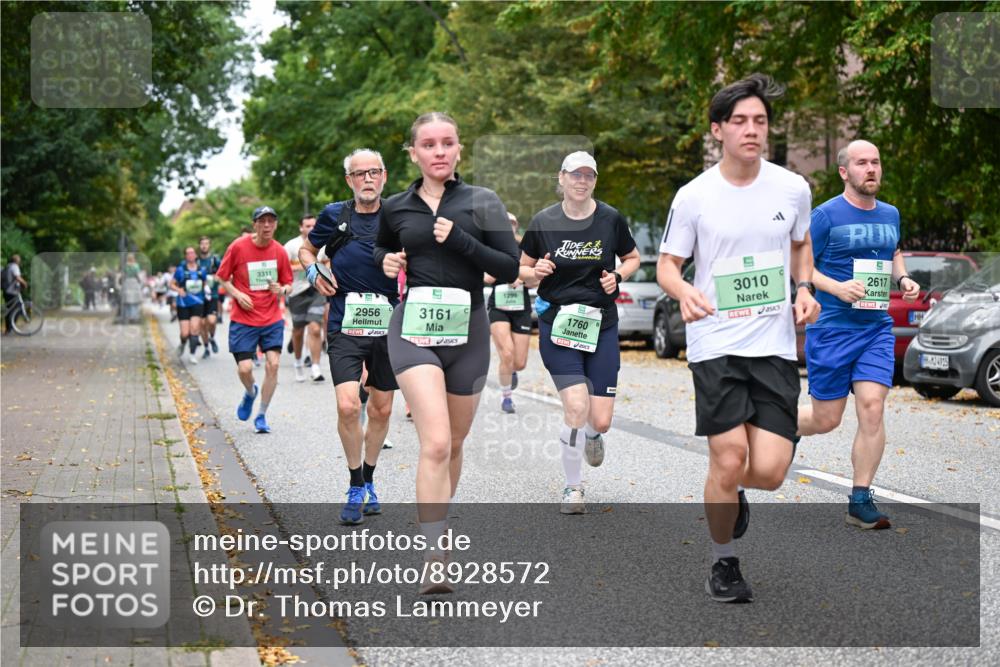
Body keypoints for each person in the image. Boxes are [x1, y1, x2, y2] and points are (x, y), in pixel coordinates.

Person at [656, 74, 821, 603]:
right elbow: (667, 266)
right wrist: (682, 290)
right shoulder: (695, 196)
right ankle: (723, 562)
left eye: (760, 121)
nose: (752, 130)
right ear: (718, 130)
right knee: (727, 458)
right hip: (715, 342)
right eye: (740, 122)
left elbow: (801, 248)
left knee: (769, 472)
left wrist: (802, 288)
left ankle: (733, 493)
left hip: (772, 344)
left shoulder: (793, 188)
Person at [374, 112, 519, 592]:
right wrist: (388, 259)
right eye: (429, 144)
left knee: (454, 444)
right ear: (413, 153)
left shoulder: (483, 201)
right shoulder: (396, 207)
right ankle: (434, 556)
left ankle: (438, 524)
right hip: (414, 328)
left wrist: (460, 239)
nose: (439, 151)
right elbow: (381, 252)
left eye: (447, 143)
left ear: (459, 150)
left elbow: (510, 266)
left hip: (469, 332)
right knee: (434, 442)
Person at [796, 140, 920, 530]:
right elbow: (800, 263)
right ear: (844, 172)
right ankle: (782, 423)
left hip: (875, 327)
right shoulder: (825, 215)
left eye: (876, 162)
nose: (871, 169)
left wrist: (902, 276)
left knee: (872, 406)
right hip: (832, 328)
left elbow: (893, 250)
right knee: (825, 418)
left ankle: (860, 498)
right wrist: (835, 288)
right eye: (862, 163)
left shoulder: (891, 213)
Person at [520, 152, 641, 513]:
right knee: (575, 405)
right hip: (557, 325)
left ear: (594, 181)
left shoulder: (610, 219)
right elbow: (521, 269)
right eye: (575, 175)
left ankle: (592, 435)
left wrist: (618, 276)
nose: (581, 181)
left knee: (599, 418)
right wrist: (535, 271)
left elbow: (632, 257)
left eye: (589, 175)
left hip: (600, 324)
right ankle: (573, 488)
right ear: (562, 178)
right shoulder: (544, 222)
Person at [299, 148, 399, 525]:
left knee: (382, 409)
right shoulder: (334, 215)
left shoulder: (398, 216)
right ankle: (355, 483)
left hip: (389, 325)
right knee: (347, 406)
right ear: (349, 180)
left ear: (384, 176)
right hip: (345, 322)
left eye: (374, 172)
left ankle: (370, 478)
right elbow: (308, 250)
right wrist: (313, 273)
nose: (368, 179)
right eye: (360, 174)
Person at [215, 206, 294, 434]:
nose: (267, 225)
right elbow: (222, 277)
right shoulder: (238, 247)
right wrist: (238, 294)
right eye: (263, 221)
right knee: (245, 368)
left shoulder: (279, 251)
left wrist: (282, 290)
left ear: (275, 225)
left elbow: (288, 283)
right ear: (255, 225)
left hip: (271, 318)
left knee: (274, 364)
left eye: (271, 221)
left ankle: (261, 415)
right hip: (244, 318)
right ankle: (250, 392)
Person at [485, 213, 537, 414]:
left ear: (517, 226)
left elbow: (537, 279)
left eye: (513, 222)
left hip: (521, 307)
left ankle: (512, 370)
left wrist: (522, 279)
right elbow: (487, 278)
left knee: (519, 362)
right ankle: (506, 398)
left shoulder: (525, 249)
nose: (509, 226)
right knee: (506, 354)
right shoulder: (491, 247)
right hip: (498, 306)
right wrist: (507, 273)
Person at [284, 215, 327, 382]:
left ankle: (316, 367)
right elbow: (282, 266)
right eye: (307, 225)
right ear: (301, 228)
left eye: (313, 225)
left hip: (316, 290)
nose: (311, 228)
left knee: (315, 328)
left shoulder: (322, 243)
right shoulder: (291, 246)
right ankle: (297, 362)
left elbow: (328, 261)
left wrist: (323, 270)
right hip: (297, 291)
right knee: (298, 330)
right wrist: (304, 265)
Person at [170, 247, 207, 364]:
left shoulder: (202, 270)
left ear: (195, 255)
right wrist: (178, 290)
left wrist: (204, 291)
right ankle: (182, 343)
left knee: (195, 329)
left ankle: (192, 354)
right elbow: (171, 284)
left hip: (197, 302)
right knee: (185, 333)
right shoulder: (180, 270)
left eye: (192, 253)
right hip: (183, 303)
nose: (190, 255)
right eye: (188, 253)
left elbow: (204, 283)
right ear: (185, 256)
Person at [197, 236, 223, 358]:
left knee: (212, 321)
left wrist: (217, 277)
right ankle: (206, 347)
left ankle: (212, 338)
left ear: (209, 246)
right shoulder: (195, 261)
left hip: (213, 295)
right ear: (199, 245)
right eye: (202, 244)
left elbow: (224, 271)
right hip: (199, 296)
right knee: (202, 323)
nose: (204, 246)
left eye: (206, 244)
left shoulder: (214, 260)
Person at [2, 254, 28, 333]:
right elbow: (17, 277)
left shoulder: (8, 266)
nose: (20, 261)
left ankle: (8, 329)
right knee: (17, 309)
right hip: (12, 291)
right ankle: (11, 327)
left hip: (6, 291)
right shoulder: (14, 267)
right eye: (19, 260)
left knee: (9, 310)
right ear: (17, 260)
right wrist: (24, 283)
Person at [121, 253, 143, 323]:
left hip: (127, 282)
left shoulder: (125, 266)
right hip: (134, 282)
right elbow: (138, 275)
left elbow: (123, 275)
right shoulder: (136, 266)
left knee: (127, 301)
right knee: (135, 301)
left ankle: (127, 316)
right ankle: (133, 317)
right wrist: (140, 282)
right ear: (133, 258)